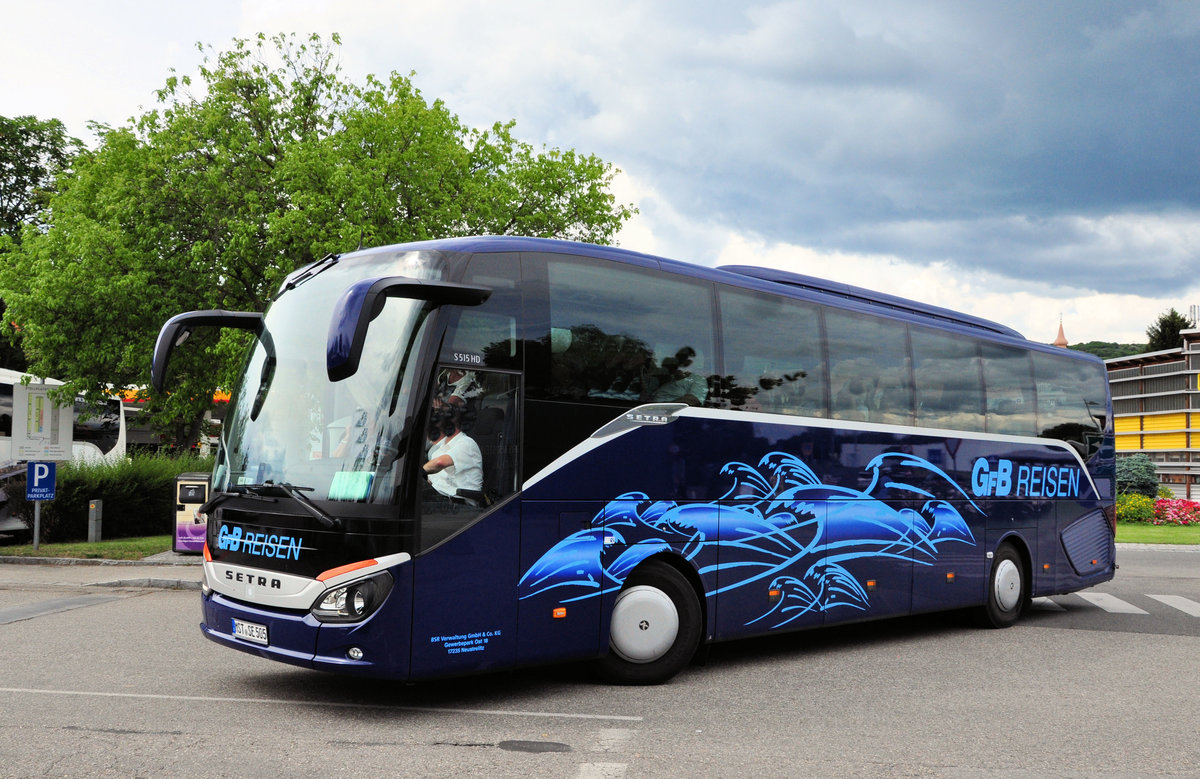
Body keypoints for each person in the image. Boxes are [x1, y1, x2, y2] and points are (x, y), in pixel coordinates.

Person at [422, 409, 483, 500]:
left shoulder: (466, 443)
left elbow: (440, 463)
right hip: (441, 500)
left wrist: (420, 472)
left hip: (462, 505)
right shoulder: (439, 450)